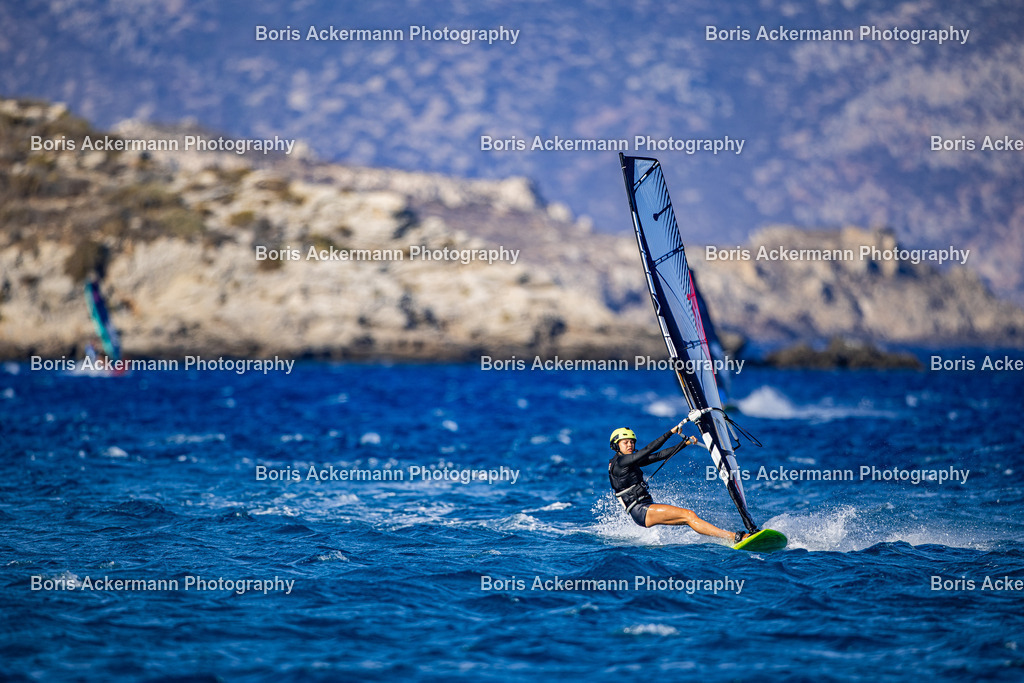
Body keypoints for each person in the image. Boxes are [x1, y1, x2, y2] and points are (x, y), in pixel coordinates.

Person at [608, 425, 748, 543]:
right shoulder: (621, 462)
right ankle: (734, 537)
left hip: (645, 508)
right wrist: (670, 433)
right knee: (689, 515)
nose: (630, 445)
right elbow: (648, 450)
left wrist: (683, 444)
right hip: (641, 510)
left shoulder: (628, 461)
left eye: (631, 442)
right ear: (616, 445)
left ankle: (729, 538)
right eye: (625, 442)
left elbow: (658, 456)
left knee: (689, 518)